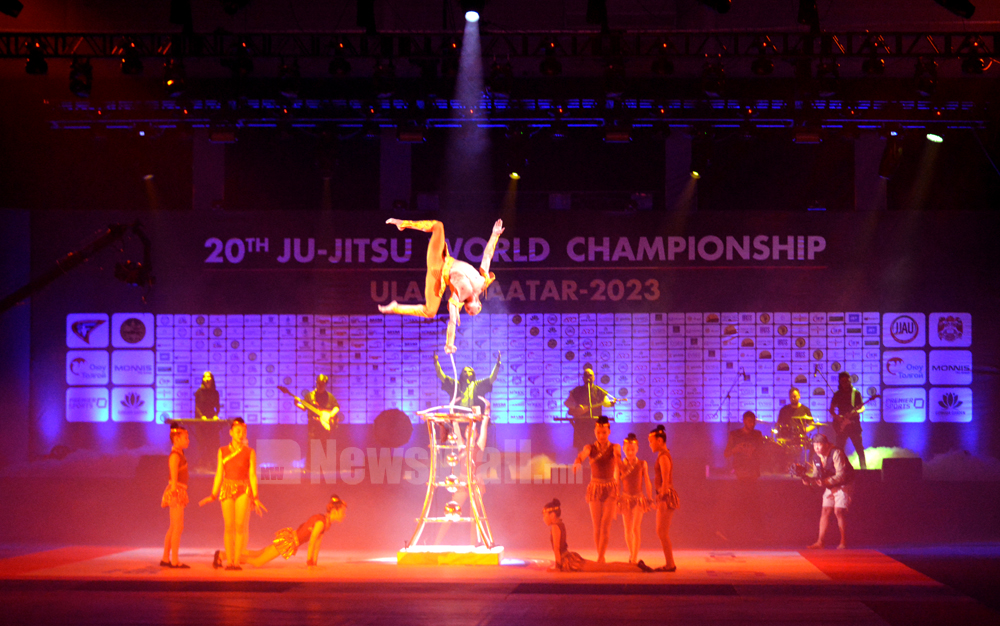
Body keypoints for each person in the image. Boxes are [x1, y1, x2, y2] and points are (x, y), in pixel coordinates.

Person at [378, 218, 504, 354]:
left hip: (436, 275)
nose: (469, 312)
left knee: (430, 311)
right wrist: (494, 235)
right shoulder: (482, 281)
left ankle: (395, 308)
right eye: (472, 312)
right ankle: (402, 224)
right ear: (479, 304)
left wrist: (449, 344)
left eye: (468, 312)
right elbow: (487, 256)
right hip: (441, 258)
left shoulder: (457, 298)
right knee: (438, 226)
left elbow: (452, 322)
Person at [199, 418, 266, 571]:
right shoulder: (222, 451)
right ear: (231, 432)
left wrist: (256, 497)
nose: (241, 434)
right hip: (227, 488)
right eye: (238, 431)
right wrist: (213, 494)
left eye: (243, 431)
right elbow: (219, 474)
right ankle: (229, 561)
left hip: (243, 489)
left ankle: (236, 562)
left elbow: (252, 475)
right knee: (229, 526)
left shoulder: (250, 452)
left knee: (240, 526)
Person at [234, 495, 346, 568]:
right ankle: (232, 559)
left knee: (259, 553)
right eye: (342, 512)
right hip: (288, 542)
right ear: (334, 511)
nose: (344, 515)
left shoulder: (325, 523)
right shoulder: (321, 522)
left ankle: (228, 555)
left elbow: (317, 545)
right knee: (258, 562)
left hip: (290, 540)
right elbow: (312, 543)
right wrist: (309, 563)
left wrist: (314, 563)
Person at [542, 499, 650, 572]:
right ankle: (636, 566)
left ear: (552, 515)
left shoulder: (555, 527)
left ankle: (638, 568)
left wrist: (558, 568)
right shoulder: (560, 524)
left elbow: (557, 549)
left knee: (605, 568)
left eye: (544, 515)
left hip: (569, 562)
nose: (543, 518)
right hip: (570, 559)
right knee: (604, 566)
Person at [572, 415, 620, 563]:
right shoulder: (590, 448)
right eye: (598, 433)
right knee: (597, 526)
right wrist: (578, 461)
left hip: (610, 488)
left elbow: (618, 456)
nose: (601, 436)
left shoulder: (615, 447)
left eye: (604, 432)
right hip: (595, 488)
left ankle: (601, 556)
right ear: (595, 432)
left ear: (609, 432)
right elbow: (583, 454)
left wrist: (619, 461)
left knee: (605, 524)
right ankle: (600, 555)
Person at [804, 434, 855, 550]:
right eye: (814, 445)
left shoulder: (836, 453)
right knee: (825, 510)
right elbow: (816, 475)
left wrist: (825, 482)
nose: (816, 448)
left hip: (844, 484)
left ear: (826, 445)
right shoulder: (816, 457)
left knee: (839, 511)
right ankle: (820, 542)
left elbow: (841, 475)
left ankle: (843, 541)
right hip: (830, 485)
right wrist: (809, 480)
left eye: (819, 445)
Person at [722, 411, 764, 546]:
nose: (752, 424)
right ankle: (729, 532)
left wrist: (753, 453)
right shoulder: (735, 434)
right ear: (744, 421)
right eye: (750, 421)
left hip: (752, 472)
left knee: (752, 504)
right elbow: (726, 454)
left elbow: (762, 452)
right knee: (741, 503)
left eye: (754, 422)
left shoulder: (757, 434)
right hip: (740, 473)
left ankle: (756, 534)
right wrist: (736, 450)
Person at [617, 433, 653, 565]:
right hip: (625, 499)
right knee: (627, 530)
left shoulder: (642, 464)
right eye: (627, 449)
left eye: (632, 449)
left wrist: (650, 498)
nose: (630, 452)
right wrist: (616, 500)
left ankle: (634, 558)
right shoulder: (620, 465)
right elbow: (616, 483)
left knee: (635, 528)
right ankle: (632, 553)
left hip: (638, 499)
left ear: (637, 449)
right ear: (623, 449)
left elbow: (647, 481)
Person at [564, 368, 618, 448]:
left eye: (590, 375)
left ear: (594, 377)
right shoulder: (577, 390)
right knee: (582, 449)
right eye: (586, 376)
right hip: (581, 425)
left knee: (596, 448)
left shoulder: (599, 390)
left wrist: (611, 403)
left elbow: (605, 403)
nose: (588, 377)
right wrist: (576, 407)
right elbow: (567, 402)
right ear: (583, 378)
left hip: (596, 425)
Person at [648, 424, 677, 572]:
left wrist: (662, 499)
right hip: (664, 495)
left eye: (651, 441)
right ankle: (669, 563)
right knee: (661, 532)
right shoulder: (662, 455)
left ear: (659, 441)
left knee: (662, 532)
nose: (650, 444)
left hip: (666, 496)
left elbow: (666, 481)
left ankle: (670, 564)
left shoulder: (664, 456)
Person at [160, 423, 190, 568]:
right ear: (177, 439)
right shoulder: (175, 456)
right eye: (186, 438)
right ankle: (174, 561)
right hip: (176, 491)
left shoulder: (180, 454)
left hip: (178, 491)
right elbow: (173, 478)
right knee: (177, 527)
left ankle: (166, 558)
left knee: (174, 527)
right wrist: (173, 495)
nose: (188, 440)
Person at [434, 351, 501, 411]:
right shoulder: (456, 385)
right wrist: (436, 362)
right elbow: (441, 376)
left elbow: (492, 378)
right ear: (462, 374)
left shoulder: (478, 385)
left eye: (469, 371)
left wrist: (498, 364)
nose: (467, 373)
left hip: (474, 414)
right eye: (465, 371)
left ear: (473, 374)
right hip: (459, 414)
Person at [829, 372, 866, 470]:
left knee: (859, 449)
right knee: (839, 450)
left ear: (850, 381)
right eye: (843, 381)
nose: (845, 383)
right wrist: (837, 417)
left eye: (847, 381)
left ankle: (864, 470)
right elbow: (831, 410)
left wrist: (857, 412)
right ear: (840, 382)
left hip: (854, 425)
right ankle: (838, 470)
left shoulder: (856, 393)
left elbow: (862, 408)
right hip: (842, 425)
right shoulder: (837, 394)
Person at [298, 374, 340, 442]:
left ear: (325, 385)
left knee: (326, 446)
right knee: (313, 446)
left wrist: (330, 415)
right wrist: (296, 404)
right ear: (316, 383)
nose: (321, 386)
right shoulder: (310, 396)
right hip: (313, 428)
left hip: (326, 428)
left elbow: (336, 407)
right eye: (319, 384)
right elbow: (304, 407)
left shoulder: (329, 396)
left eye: (323, 385)